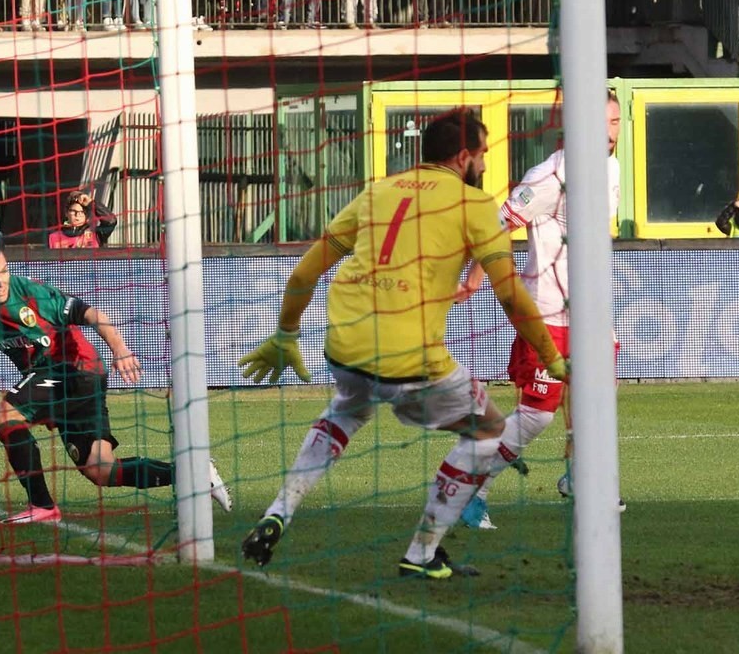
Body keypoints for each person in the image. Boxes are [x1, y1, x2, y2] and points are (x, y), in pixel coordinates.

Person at [238, 110, 566, 579]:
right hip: (410, 357)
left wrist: (285, 334)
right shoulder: (474, 206)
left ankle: (279, 511)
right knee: (490, 429)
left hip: (345, 342)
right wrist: (552, 357)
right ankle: (423, 552)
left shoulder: (377, 191)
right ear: (462, 156)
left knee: (347, 410)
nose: (486, 165)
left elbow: (304, 273)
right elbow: (511, 293)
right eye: (483, 155)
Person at [0, 240, 232, 523]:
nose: (1, 281)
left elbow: (90, 313)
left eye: (4, 271)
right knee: (100, 470)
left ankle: (42, 506)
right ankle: (194, 474)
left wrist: (120, 348)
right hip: (67, 377)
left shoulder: (32, 293)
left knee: (6, 415)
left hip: (75, 367)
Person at [455, 94, 622, 530]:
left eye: (616, 121)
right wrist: (474, 279)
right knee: (538, 414)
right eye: (602, 122)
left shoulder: (611, 167)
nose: (610, 131)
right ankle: (474, 489)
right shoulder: (549, 176)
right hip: (549, 311)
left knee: (595, 406)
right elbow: (497, 226)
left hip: (594, 313)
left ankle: (582, 480)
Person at [48, 190, 116, 249]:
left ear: (86, 217)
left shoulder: (96, 234)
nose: (77, 215)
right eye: (73, 211)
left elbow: (111, 221)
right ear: (66, 213)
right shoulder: (53, 237)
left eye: (81, 212)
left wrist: (91, 203)